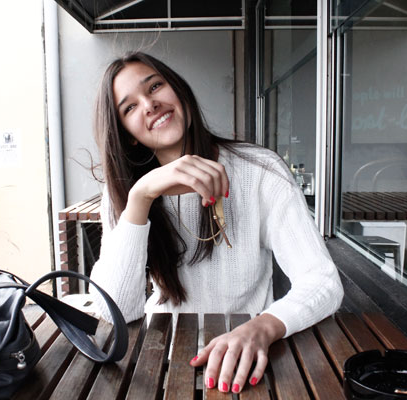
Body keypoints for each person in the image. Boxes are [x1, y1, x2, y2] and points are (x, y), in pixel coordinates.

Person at [89, 51, 343, 394]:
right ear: (128, 135)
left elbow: (323, 282)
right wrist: (142, 196)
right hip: (162, 360)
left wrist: (264, 327)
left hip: (249, 357)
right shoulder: (126, 193)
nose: (149, 105)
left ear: (179, 91)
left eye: (155, 86)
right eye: (130, 107)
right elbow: (114, 311)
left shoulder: (260, 170)